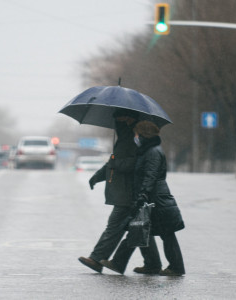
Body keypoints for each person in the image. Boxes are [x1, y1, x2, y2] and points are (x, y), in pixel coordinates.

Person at [100, 120, 185, 276]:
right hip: (154, 197)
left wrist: (143, 195)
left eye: (136, 134)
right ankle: (145, 265)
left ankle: (176, 267)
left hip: (156, 199)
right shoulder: (147, 150)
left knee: (157, 232)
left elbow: (150, 175)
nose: (135, 137)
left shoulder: (153, 152)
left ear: (143, 134)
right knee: (139, 229)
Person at [78, 109, 141, 273]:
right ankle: (153, 262)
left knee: (114, 227)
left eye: (118, 118)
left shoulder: (132, 140)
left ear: (128, 119)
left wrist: (115, 164)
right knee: (139, 229)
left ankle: (96, 259)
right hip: (123, 191)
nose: (116, 122)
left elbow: (132, 164)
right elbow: (112, 162)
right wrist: (97, 177)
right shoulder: (123, 138)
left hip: (127, 192)